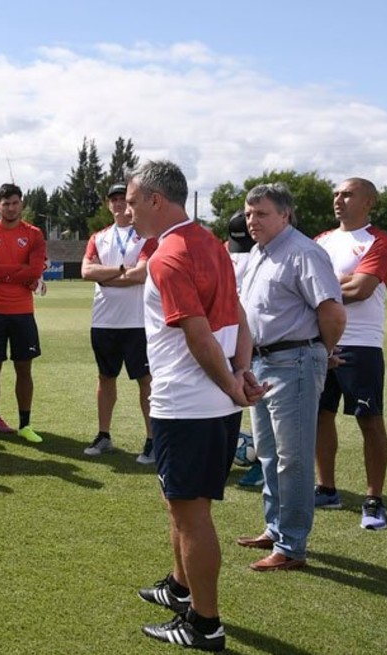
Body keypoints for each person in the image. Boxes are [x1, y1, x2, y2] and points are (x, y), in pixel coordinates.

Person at [127, 160, 261, 652]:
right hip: (212, 403)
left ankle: (205, 624)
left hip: (187, 405)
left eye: (134, 199)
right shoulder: (208, 242)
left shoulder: (170, 255)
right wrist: (240, 374)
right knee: (179, 502)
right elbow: (239, 317)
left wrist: (231, 382)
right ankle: (181, 588)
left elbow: (199, 333)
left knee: (191, 513)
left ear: (157, 200)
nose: (129, 208)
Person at [234, 183, 345, 572]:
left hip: (294, 361)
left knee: (292, 458)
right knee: (268, 453)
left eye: (261, 214)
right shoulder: (257, 255)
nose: (252, 221)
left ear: (286, 215)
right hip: (262, 363)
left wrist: (320, 352)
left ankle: (292, 545)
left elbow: (333, 312)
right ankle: (276, 528)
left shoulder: (303, 253)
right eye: (249, 214)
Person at [313, 178, 387, 530]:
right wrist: (339, 281)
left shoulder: (378, 240)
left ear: (369, 202)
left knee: (369, 420)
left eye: (347, 194)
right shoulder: (321, 241)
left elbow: (361, 289)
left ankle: (373, 498)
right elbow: (304, 283)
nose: (339, 200)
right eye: (336, 194)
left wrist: (322, 288)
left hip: (361, 343)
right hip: (320, 342)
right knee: (320, 415)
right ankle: (326, 488)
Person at [81, 182, 157, 460]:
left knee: (145, 381)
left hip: (137, 322)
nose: (118, 203)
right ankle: (104, 435)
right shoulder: (98, 237)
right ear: (107, 204)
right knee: (105, 377)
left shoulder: (147, 236)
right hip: (103, 320)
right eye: (113, 199)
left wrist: (108, 276)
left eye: (122, 199)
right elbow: (86, 271)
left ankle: (152, 439)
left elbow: (141, 275)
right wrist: (122, 270)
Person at [0, 183, 46, 445]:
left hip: (23, 312)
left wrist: (4, 272)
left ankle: (25, 425)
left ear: (21, 204)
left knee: (24, 368)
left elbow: (35, 271)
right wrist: (18, 271)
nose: (11, 208)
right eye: (6, 204)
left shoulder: (34, 234)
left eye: (15, 203)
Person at [224, 211, 265, 489]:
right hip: (232, 338)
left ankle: (264, 464)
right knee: (230, 398)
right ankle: (223, 455)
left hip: (269, 344)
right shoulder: (224, 253)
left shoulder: (275, 254)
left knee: (262, 406)